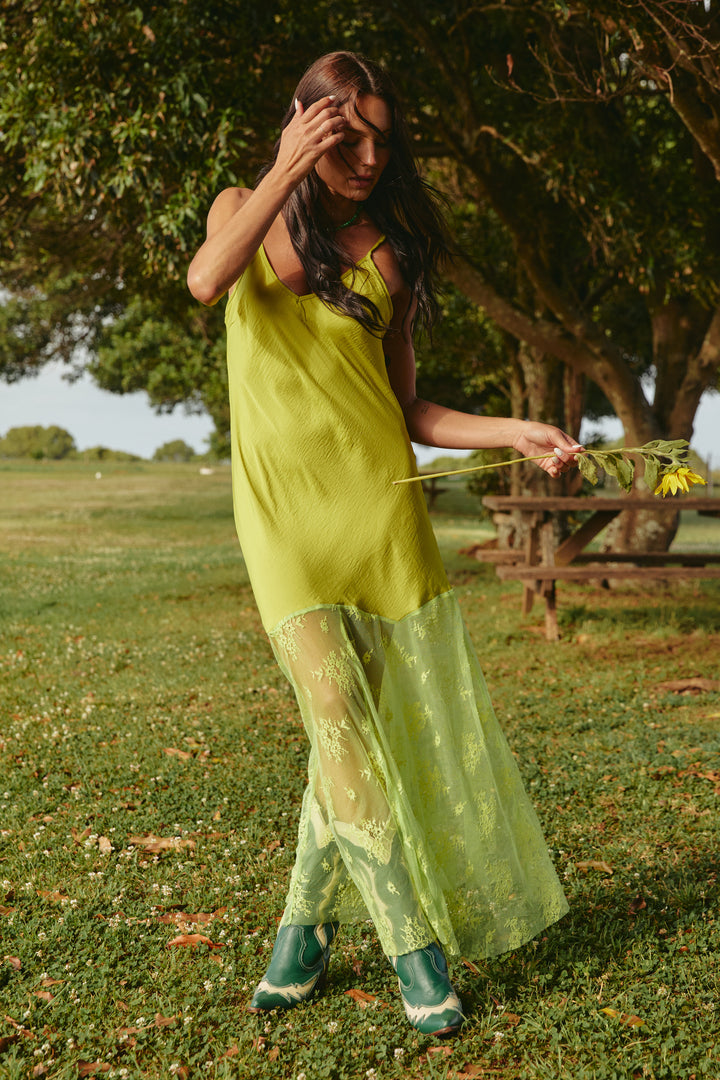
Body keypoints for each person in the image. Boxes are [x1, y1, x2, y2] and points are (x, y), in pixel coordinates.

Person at [187, 51, 580, 1037]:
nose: (367, 155)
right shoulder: (244, 202)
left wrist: (515, 432)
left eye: (380, 140)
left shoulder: (388, 253)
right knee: (337, 715)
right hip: (285, 524)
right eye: (345, 135)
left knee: (345, 735)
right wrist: (285, 166)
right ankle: (415, 946)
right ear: (305, 126)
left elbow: (409, 410)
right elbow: (204, 282)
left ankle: (300, 936)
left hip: (380, 516)